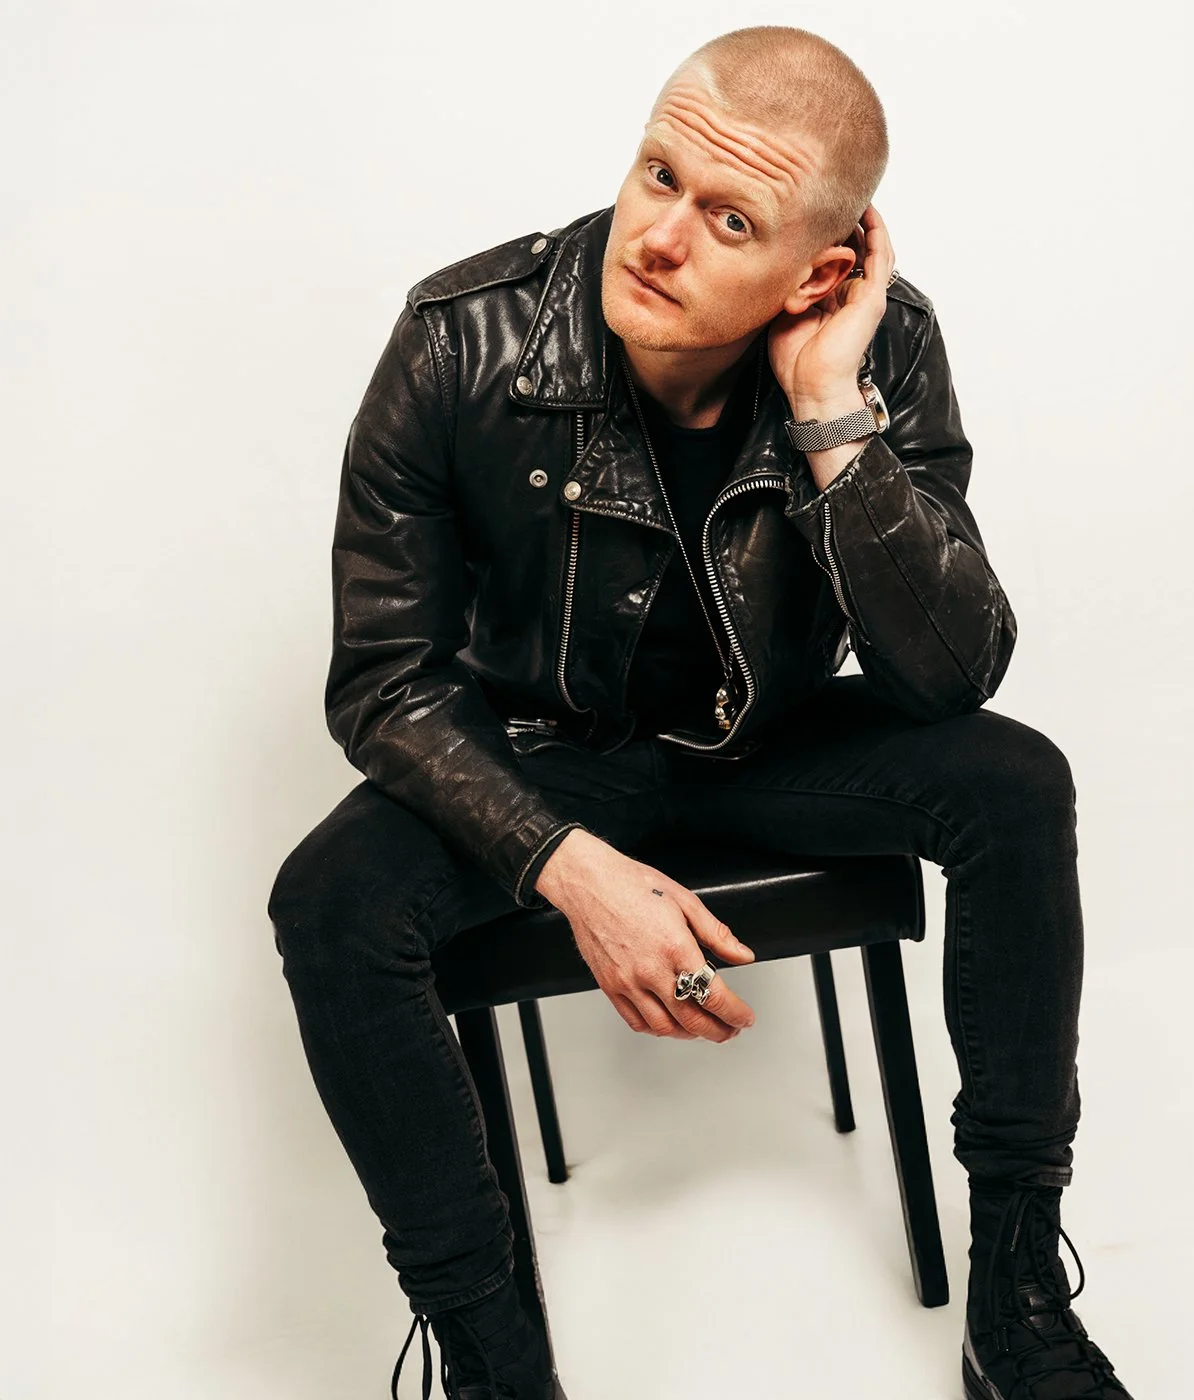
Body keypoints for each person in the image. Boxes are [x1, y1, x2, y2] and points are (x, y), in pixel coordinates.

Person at [268, 23, 1136, 1400]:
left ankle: (1016, 1294)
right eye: (657, 173)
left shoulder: (882, 349)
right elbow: (385, 678)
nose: (659, 237)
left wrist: (830, 415)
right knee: (329, 900)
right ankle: (494, 1364)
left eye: (730, 218)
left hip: (775, 743)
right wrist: (568, 866)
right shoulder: (460, 336)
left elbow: (949, 677)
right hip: (552, 761)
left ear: (822, 269)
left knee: (1015, 780)